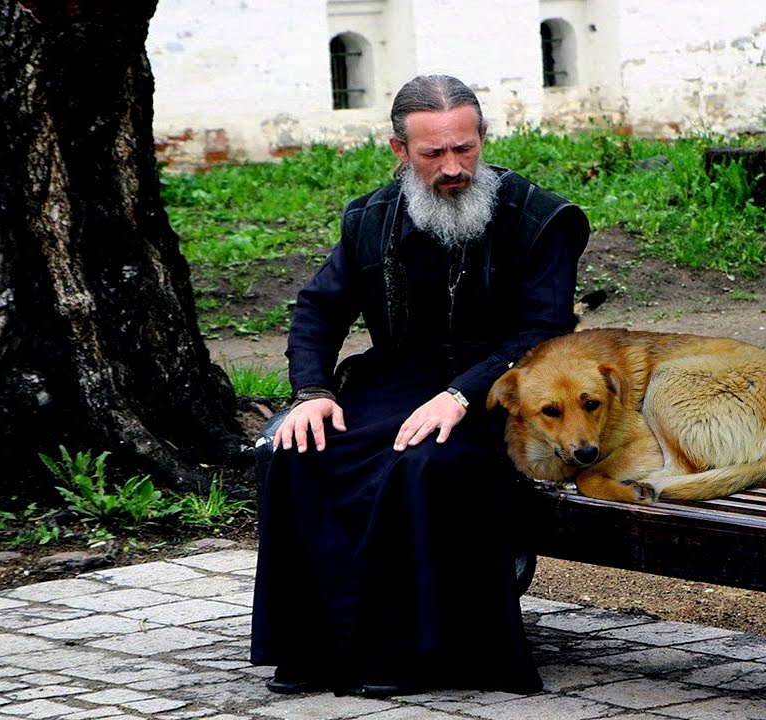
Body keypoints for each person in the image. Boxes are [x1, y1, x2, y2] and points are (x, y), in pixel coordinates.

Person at [250, 74, 589, 697]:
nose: (453, 166)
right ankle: (318, 648)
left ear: (482, 137)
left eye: (465, 148)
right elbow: (318, 310)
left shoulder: (540, 220)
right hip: (397, 380)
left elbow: (542, 333)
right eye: (434, 154)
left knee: (424, 463)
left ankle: (419, 654)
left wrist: (462, 393)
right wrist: (311, 394)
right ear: (400, 150)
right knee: (302, 454)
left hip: (505, 392)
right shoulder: (371, 219)